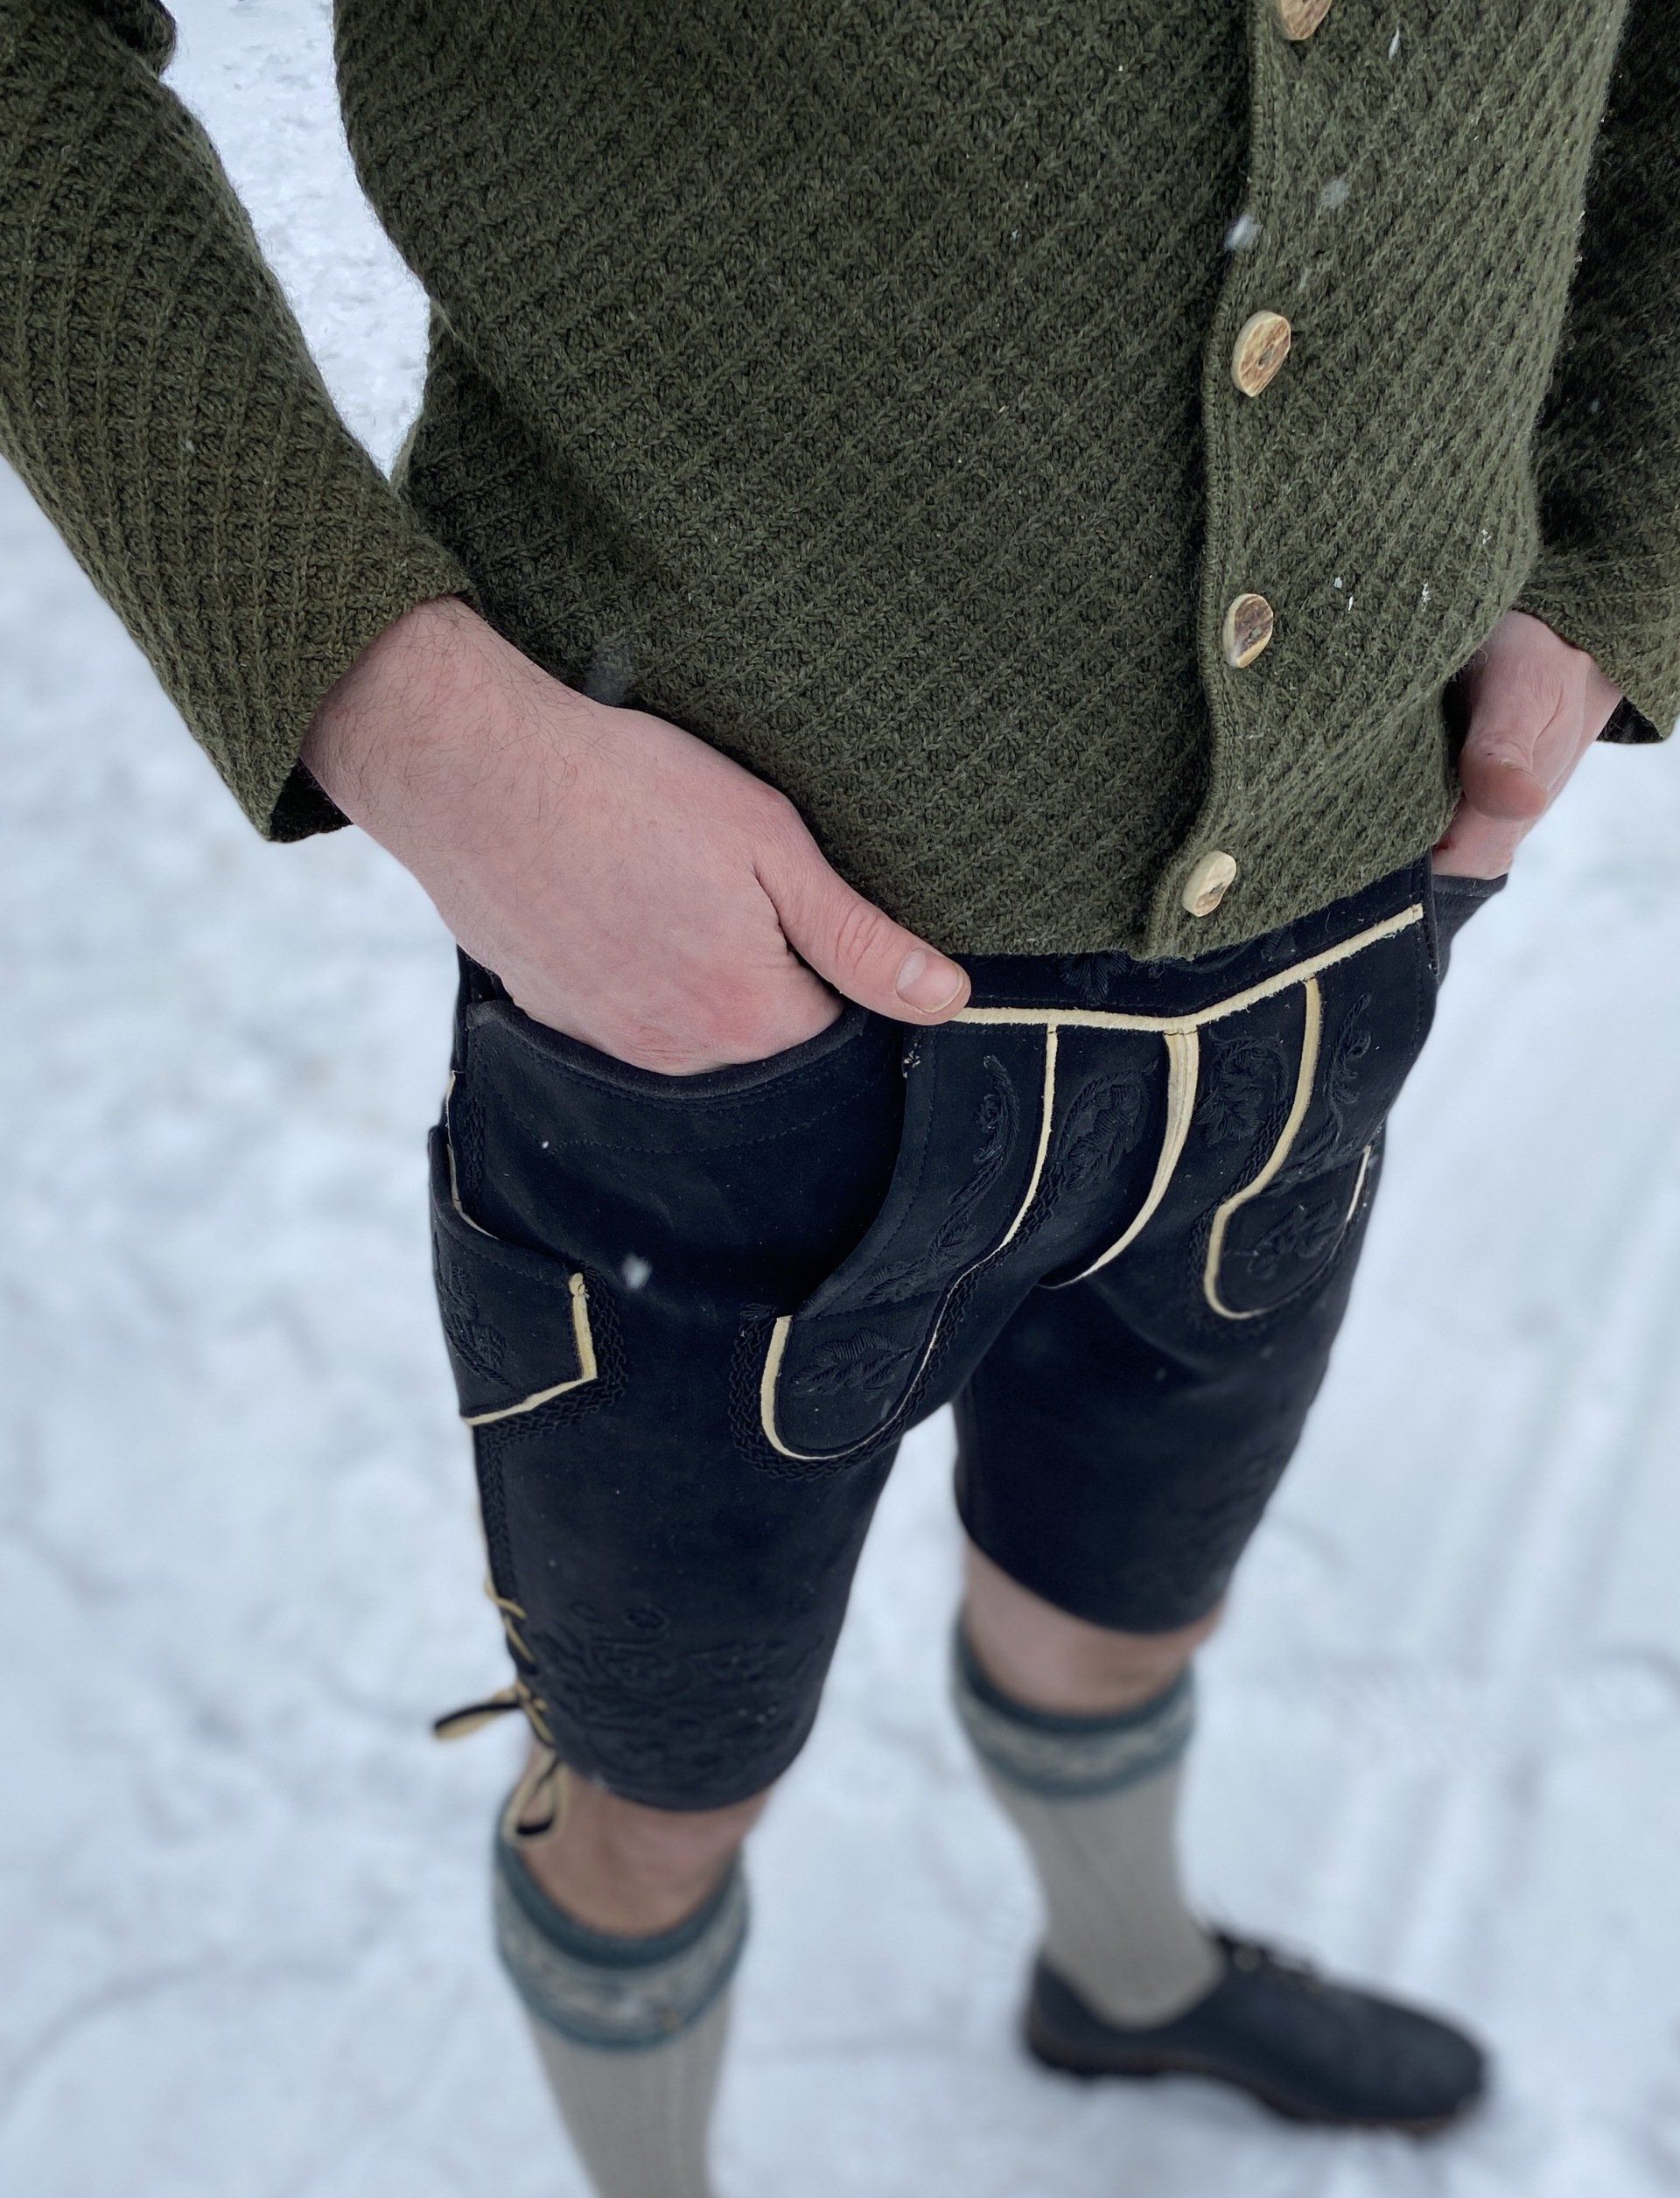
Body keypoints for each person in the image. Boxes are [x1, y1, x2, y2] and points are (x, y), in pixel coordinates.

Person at [4, 2, 1676, 2190]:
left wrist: (1619, 540)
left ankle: (1126, 1970)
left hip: (1329, 975)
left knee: (1127, 1606)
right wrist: (398, 709)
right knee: (655, 1782)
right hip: (707, 1055)